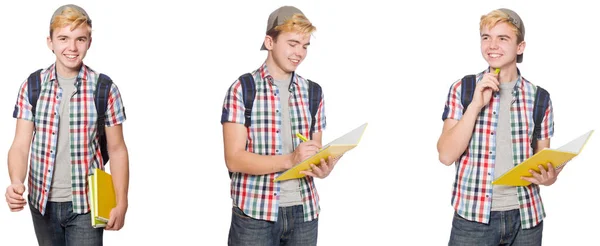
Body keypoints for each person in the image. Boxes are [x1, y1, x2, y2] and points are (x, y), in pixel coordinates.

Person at [5, 4, 129, 246]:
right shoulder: (32, 86)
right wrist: (16, 181)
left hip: (86, 203)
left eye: (80, 39)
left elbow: (117, 149)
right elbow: (20, 145)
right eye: (63, 38)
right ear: (50, 42)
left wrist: (121, 201)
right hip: (41, 203)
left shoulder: (104, 88)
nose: (72, 48)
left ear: (89, 42)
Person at [220, 5, 341, 246]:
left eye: (305, 46)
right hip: (255, 215)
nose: (300, 53)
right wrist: (290, 160)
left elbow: (312, 151)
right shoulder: (243, 89)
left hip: (304, 213)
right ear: (270, 42)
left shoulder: (313, 92)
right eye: (293, 43)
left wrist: (322, 167)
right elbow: (234, 159)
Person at [437, 8, 559, 245]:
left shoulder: (540, 98)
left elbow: (543, 161)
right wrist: (475, 105)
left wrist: (549, 177)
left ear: (520, 47)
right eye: (486, 37)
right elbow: (445, 155)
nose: (492, 45)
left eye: (502, 38)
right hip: (473, 220)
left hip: (526, 219)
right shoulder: (463, 89)